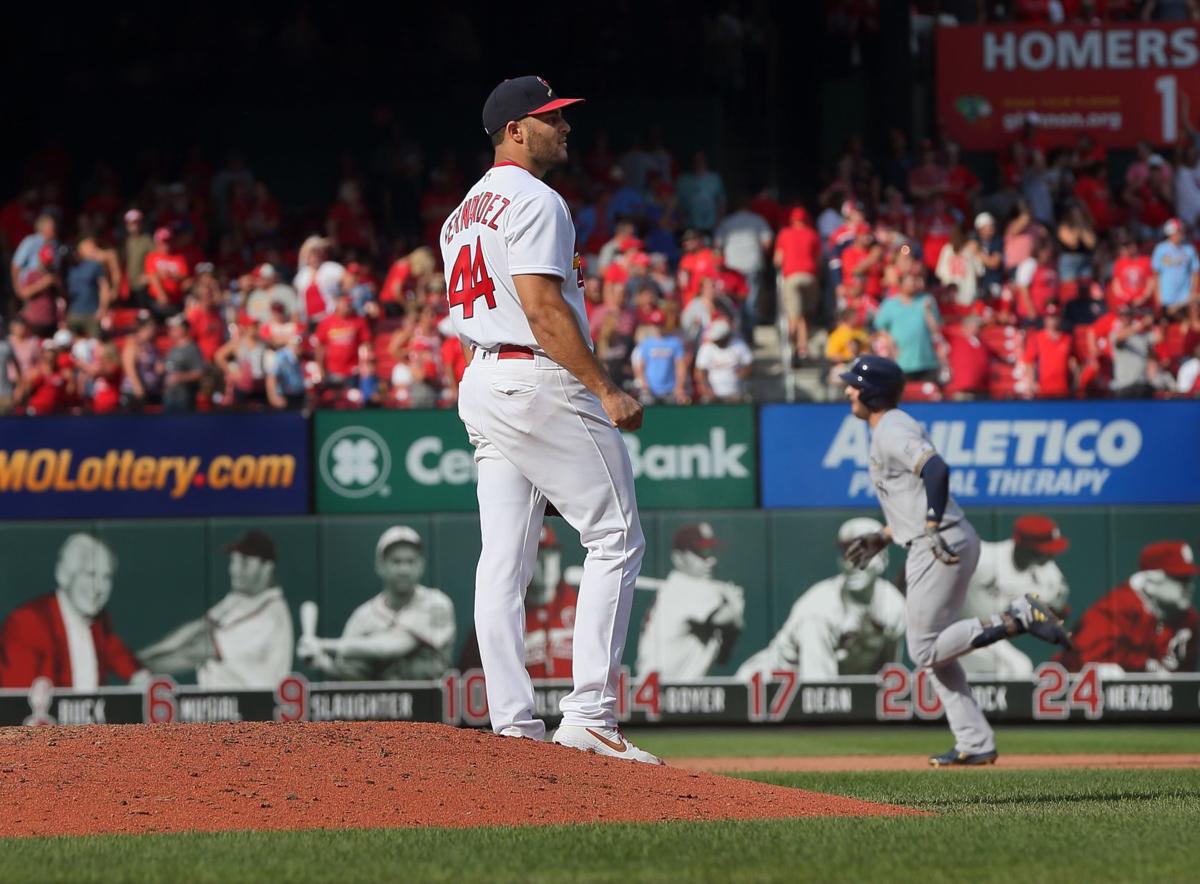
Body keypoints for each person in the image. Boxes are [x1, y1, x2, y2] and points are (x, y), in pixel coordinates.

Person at [441, 76, 655, 764]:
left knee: (503, 561)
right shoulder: (537, 199)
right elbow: (541, 307)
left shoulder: (461, 213)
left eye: (562, 118)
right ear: (514, 131)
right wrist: (605, 389)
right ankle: (590, 713)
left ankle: (512, 723)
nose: (565, 128)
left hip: (483, 376)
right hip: (538, 372)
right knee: (617, 536)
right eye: (550, 119)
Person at [838, 355, 1070, 766]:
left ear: (871, 391)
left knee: (924, 650)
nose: (847, 391)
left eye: (853, 384)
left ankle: (1017, 617)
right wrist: (885, 535)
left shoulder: (891, 427)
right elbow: (911, 495)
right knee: (938, 657)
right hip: (940, 538)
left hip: (938, 542)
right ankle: (975, 740)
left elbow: (937, 470)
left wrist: (929, 524)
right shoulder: (887, 429)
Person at [736, 518, 906, 681]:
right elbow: (818, 694)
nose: (853, 563)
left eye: (865, 554)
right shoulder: (819, 610)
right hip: (761, 690)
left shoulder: (893, 607)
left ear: (884, 560)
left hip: (812, 694)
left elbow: (885, 682)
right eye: (848, 553)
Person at [137, 530, 293, 689]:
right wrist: (137, 658)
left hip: (253, 708)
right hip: (223, 703)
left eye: (245, 562)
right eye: (234, 561)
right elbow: (196, 628)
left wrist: (131, 668)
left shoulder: (270, 616)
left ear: (267, 567)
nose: (235, 569)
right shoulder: (240, 597)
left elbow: (196, 653)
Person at [298, 526, 456, 680]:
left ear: (421, 566)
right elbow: (352, 675)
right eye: (396, 561)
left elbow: (391, 647)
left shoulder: (437, 603)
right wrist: (321, 661)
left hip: (434, 701)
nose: (404, 569)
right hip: (383, 704)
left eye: (410, 561)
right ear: (380, 565)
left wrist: (322, 644)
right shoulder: (363, 616)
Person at [0, 534, 147, 689]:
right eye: (90, 574)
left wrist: (141, 677)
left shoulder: (99, 621)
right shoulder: (27, 623)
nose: (98, 587)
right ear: (64, 576)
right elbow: (14, 701)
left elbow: (118, 654)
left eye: (106, 577)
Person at [458, 524, 579, 679]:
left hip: (571, 701)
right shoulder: (500, 612)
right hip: (524, 703)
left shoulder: (579, 607)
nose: (545, 563)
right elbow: (470, 676)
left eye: (551, 554)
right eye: (537, 556)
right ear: (521, 562)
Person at [1059, 541, 1198, 674]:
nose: (1189, 587)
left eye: (1190, 579)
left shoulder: (1189, 620)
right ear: (1150, 581)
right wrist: (1148, 668)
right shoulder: (1113, 609)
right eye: (1180, 579)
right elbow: (1090, 663)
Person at [960, 516, 1071, 678]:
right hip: (947, 625)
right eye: (1046, 550)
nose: (1051, 556)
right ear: (1025, 547)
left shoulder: (1050, 577)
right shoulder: (983, 559)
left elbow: (1056, 613)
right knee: (1017, 667)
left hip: (981, 635)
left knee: (1016, 668)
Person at [635, 523, 745, 681]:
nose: (710, 560)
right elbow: (728, 618)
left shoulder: (680, 588)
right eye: (700, 553)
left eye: (711, 551)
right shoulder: (689, 587)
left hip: (659, 692)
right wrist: (734, 603)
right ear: (678, 558)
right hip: (663, 693)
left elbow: (723, 657)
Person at [774, 207, 822, 360]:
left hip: (792, 277)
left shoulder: (785, 233)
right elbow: (818, 260)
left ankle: (792, 344)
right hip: (810, 276)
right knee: (805, 315)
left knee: (794, 316)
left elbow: (777, 260)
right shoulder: (812, 234)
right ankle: (802, 346)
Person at [631, 314, 689, 404]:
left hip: (670, 389)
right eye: (656, 325)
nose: (658, 328)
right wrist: (644, 384)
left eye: (660, 324)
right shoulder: (646, 343)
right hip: (651, 390)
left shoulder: (675, 343)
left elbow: (680, 366)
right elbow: (641, 366)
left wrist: (679, 387)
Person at [1151, 218, 1200, 322]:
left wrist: (1193, 291)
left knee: (1188, 323)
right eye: (1177, 232)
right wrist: (1157, 295)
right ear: (1170, 233)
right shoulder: (1160, 249)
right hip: (1167, 295)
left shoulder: (1189, 249)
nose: (1180, 234)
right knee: (1166, 325)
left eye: (1181, 231)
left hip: (1184, 296)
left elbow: (1195, 272)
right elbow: (1156, 274)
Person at [694, 319, 753, 402]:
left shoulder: (739, 345)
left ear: (725, 337)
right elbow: (700, 372)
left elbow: (749, 364)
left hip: (735, 394)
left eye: (718, 340)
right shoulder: (706, 348)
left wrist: (742, 373)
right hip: (713, 396)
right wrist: (707, 390)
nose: (715, 342)